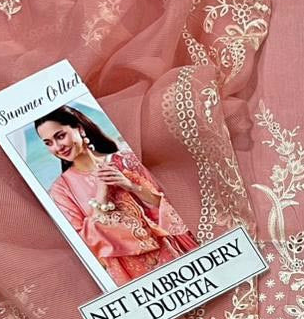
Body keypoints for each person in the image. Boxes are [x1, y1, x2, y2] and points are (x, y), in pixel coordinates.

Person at [35, 105, 197, 284]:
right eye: (48, 143)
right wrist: (102, 193)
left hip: (172, 253)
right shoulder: (61, 190)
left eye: (60, 136)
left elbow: (170, 205)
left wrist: (130, 186)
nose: (57, 147)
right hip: (131, 273)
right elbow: (87, 244)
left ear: (79, 129)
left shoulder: (127, 160)